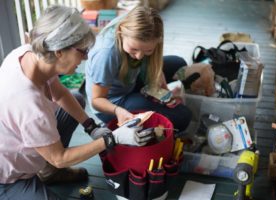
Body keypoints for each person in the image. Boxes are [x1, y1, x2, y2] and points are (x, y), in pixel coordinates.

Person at [0, 5, 153, 200]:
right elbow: (60, 158)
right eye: (82, 51)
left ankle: (48, 172)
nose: (86, 57)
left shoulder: (28, 54)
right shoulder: (31, 107)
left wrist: (91, 127)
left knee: (76, 99)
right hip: (9, 176)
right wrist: (111, 139)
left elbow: (61, 94)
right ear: (59, 51)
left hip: (23, 144)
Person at [85, 5, 195, 133]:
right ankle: (135, 104)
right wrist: (118, 110)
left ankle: (143, 97)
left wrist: (166, 94)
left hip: (131, 78)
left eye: (148, 50)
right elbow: (97, 101)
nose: (140, 56)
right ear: (121, 32)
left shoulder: (146, 28)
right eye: (134, 49)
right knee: (184, 117)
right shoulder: (106, 53)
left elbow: (154, 66)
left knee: (179, 63)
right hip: (112, 103)